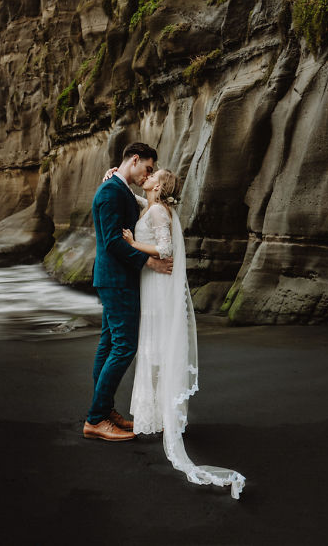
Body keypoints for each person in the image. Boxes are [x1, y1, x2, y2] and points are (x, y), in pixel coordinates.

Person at [116, 166, 246, 499]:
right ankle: (157, 415)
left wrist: (132, 243)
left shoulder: (159, 210)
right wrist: (115, 180)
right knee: (154, 346)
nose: (145, 177)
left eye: (151, 176)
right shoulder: (155, 206)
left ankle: (159, 418)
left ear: (158, 186)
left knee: (154, 345)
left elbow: (165, 250)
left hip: (158, 285)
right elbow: (138, 200)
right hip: (153, 284)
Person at [83, 142, 173, 442]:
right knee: (124, 347)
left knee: (110, 345)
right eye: (147, 168)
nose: (148, 174)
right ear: (134, 159)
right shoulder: (110, 192)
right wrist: (149, 261)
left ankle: (104, 411)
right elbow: (111, 241)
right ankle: (96, 419)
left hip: (116, 278)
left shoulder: (117, 188)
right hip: (116, 279)